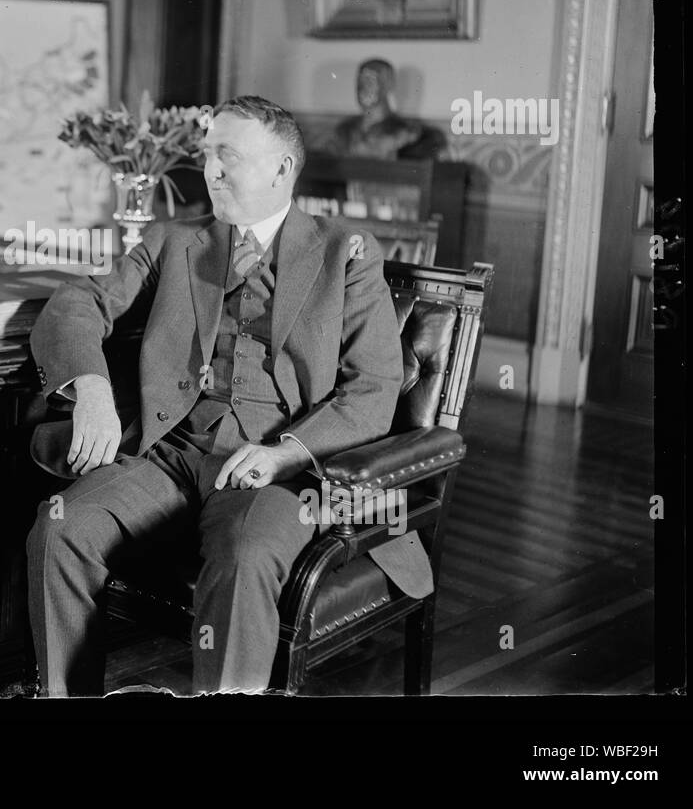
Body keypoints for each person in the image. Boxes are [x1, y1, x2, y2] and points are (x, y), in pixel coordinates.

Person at [26, 96, 430, 695]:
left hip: (280, 471)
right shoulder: (173, 239)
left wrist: (286, 452)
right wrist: (90, 387)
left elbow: (372, 389)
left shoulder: (346, 251)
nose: (210, 170)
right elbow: (78, 302)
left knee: (245, 559)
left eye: (228, 157)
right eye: (207, 155)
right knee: (60, 528)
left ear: (282, 169)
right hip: (172, 452)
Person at [334, 58, 447, 160]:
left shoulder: (409, 133)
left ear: (389, 84)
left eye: (371, 80)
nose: (363, 88)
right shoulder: (344, 130)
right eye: (360, 82)